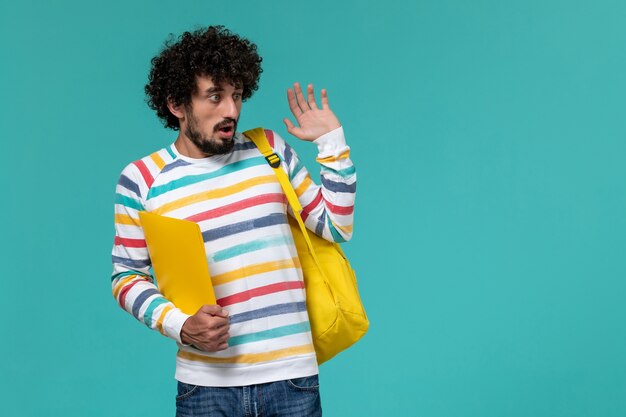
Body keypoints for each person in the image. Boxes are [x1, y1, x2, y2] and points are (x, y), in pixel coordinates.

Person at [111, 26, 356, 417]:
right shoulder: (141, 179)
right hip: (205, 388)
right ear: (176, 103)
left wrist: (332, 145)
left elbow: (335, 227)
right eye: (215, 96)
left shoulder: (269, 150)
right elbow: (126, 277)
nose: (232, 111)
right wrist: (180, 324)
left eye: (237, 95)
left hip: (291, 379)